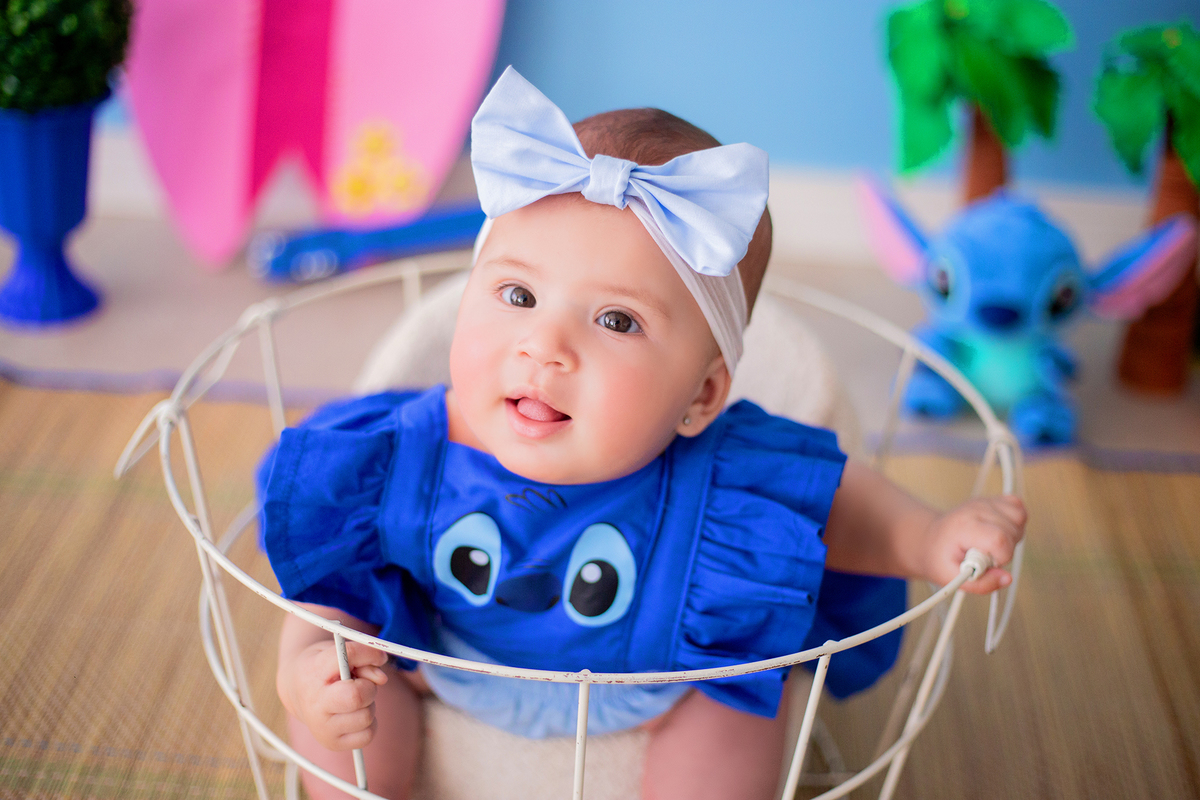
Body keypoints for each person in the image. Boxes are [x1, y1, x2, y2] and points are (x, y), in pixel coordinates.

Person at [259, 67, 1025, 800]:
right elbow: (334, 587)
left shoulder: (717, 475)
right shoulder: (403, 454)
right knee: (342, 683)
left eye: (616, 320)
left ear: (700, 395)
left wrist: (930, 536)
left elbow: (837, 508)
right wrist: (309, 664)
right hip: (440, 656)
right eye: (518, 294)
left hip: (657, 681)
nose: (545, 346)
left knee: (739, 703)